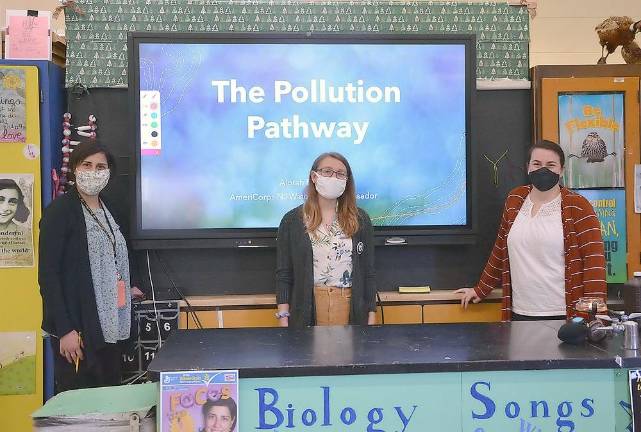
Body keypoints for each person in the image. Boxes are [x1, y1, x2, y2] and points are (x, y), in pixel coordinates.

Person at [456, 140, 607, 320]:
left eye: (551, 165)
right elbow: (500, 251)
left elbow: (594, 265)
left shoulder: (579, 206)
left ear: (562, 170)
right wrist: (481, 289)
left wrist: (593, 318)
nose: (543, 169)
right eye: (537, 164)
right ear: (528, 167)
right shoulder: (515, 199)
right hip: (520, 313)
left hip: (565, 316)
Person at [39, 142, 142, 393]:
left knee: (109, 401)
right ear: (75, 168)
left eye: (100, 167)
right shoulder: (59, 212)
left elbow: (114, 254)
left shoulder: (111, 209)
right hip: (78, 329)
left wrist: (128, 288)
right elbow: (48, 276)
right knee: (81, 406)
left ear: (109, 173)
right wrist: (65, 330)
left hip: (111, 325)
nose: (93, 171)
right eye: (87, 165)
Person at [276, 152, 377, 327]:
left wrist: (371, 314)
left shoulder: (360, 219)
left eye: (340, 173)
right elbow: (284, 273)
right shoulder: (292, 220)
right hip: (309, 305)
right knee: (309, 355)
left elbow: (368, 272)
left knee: (350, 355)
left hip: (349, 305)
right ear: (314, 177)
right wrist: (283, 317)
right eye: (327, 171)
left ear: (347, 180)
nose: (334, 177)